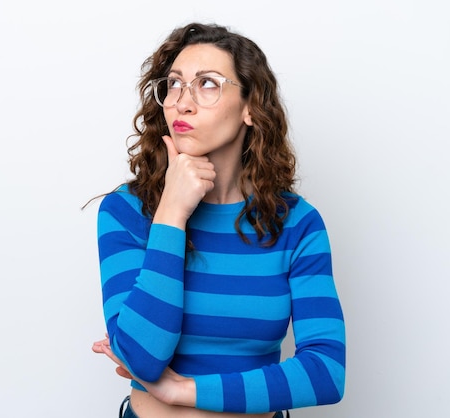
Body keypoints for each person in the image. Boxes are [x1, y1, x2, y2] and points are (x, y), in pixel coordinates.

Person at [91, 22, 345, 418]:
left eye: (207, 84)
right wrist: (172, 213)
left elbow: (326, 373)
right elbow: (142, 357)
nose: (182, 101)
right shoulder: (128, 212)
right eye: (174, 84)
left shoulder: (297, 224)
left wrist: (183, 391)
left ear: (249, 107)